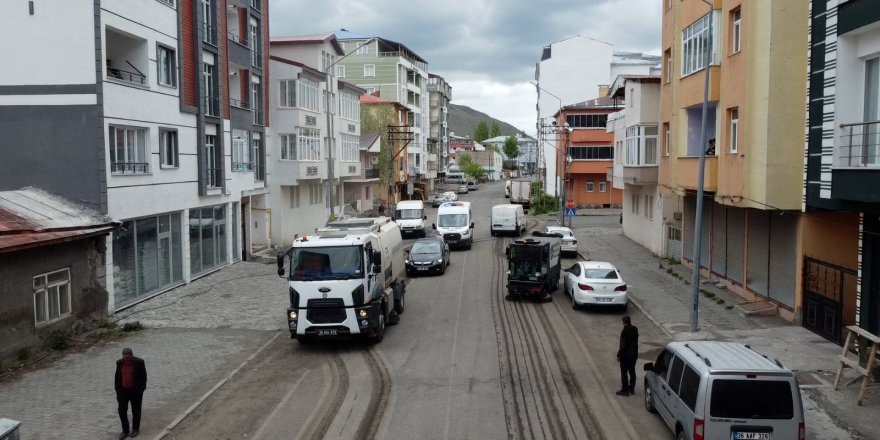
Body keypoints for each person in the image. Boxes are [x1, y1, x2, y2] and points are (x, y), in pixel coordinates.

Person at [115, 347, 147, 439]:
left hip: (135, 391)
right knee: (122, 411)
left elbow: (143, 378)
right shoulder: (119, 363)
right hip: (123, 392)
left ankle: (135, 429)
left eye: (128, 357)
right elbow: (117, 377)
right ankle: (125, 430)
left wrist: (140, 390)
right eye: (125, 358)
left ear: (132, 355)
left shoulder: (139, 363)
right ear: (122, 357)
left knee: (136, 411)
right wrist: (118, 390)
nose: (127, 359)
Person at [616, 316, 639, 396]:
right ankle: (632, 388)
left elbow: (622, 346)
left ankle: (625, 390)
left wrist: (619, 355)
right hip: (634, 355)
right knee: (632, 371)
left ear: (623, 322)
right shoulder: (635, 329)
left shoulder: (624, 331)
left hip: (625, 356)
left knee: (624, 373)